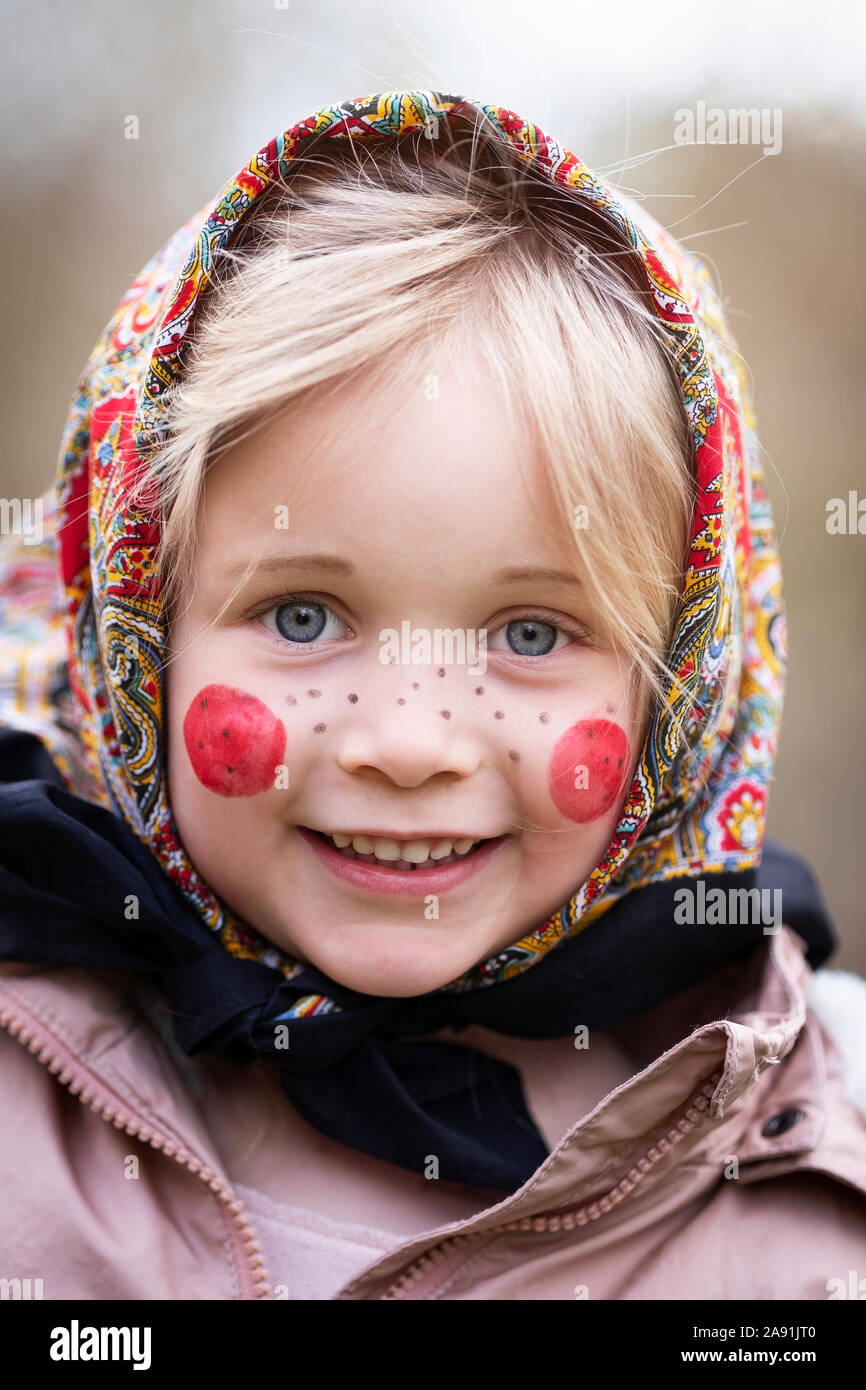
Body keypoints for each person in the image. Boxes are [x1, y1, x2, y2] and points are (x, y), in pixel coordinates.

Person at [0, 89, 864, 1302]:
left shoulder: (822, 1174)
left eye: (529, 630)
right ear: (136, 638)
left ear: (683, 685)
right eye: (302, 616)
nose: (408, 743)